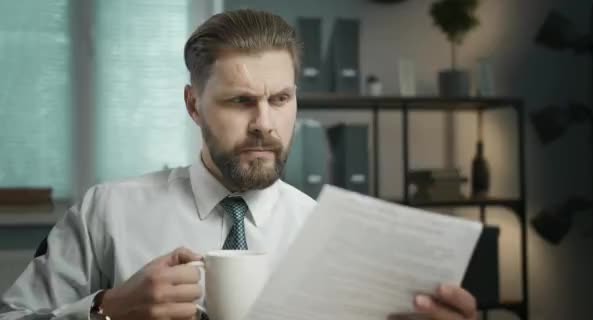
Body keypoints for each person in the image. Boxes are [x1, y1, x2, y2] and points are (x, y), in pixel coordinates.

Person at [0, 9, 477, 320]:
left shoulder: (331, 233)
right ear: (193, 105)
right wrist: (105, 310)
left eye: (281, 98)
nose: (265, 124)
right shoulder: (107, 212)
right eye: (241, 101)